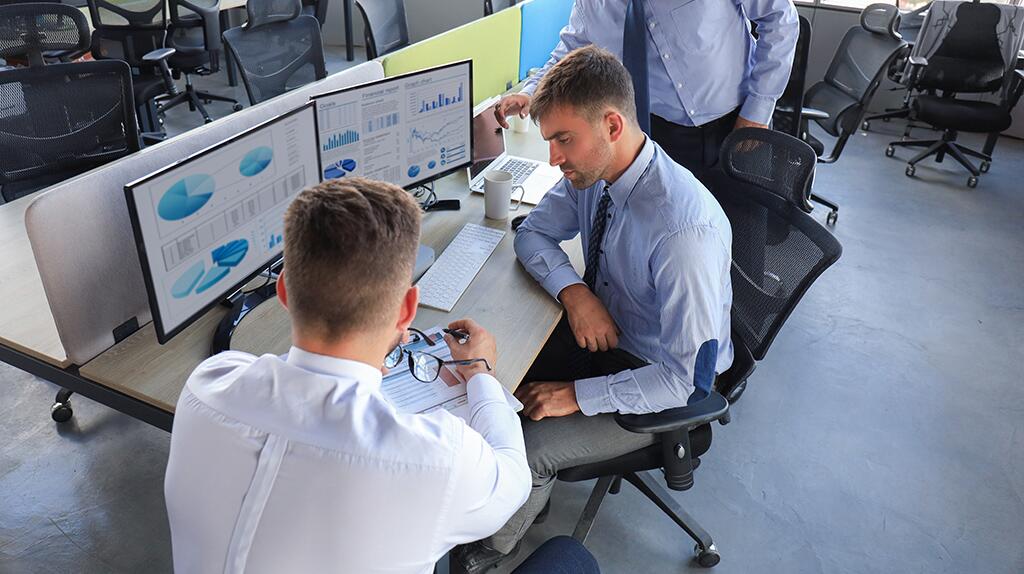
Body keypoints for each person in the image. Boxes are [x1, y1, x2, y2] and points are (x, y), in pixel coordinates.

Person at [453, 46, 733, 572]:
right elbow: (532, 232)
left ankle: (487, 551)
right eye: (551, 141)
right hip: (608, 333)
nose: (554, 158)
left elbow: (681, 382)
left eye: (564, 140)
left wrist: (576, 397)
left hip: (660, 381)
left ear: (610, 124)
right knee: (496, 369)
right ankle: (516, 503)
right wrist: (575, 293)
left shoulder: (681, 233)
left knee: (531, 449)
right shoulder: (597, 175)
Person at [164, 178, 530, 574]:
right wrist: (479, 371)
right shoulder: (438, 460)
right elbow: (514, 475)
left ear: (284, 292)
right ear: (407, 311)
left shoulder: (207, 384)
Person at [494, 0, 798, 184]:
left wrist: (757, 112)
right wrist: (532, 91)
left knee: (744, 249)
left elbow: (780, 19)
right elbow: (574, 45)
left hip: (739, 124)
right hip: (658, 136)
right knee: (668, 249)